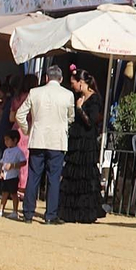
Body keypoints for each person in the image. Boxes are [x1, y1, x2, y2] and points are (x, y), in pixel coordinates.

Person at [17, 65, 74, 224]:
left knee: (34, 176)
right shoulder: (68, 94)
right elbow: (71, 117)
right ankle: (50, 215)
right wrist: (64, 126)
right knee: (54, 179)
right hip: (57, 141)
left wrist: (27, 130)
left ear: (46, 78)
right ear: (61, 79)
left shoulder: (35, 92)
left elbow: (20, 114)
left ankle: (28, 213)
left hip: (38, 139)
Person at [58, 71, 104, 223]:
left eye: (74, 83)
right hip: (77, 140)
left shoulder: (95, 99)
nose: (73, 86)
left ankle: (85, 212)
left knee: (85, 176)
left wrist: (79, 108)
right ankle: (71, 212)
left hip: (86, 142)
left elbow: (91, 121)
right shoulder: (79, 97)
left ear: (81, 82)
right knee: (74, 175)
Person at [0, 129, 25, 219]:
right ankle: (1, 209)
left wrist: (13, 165)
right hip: (5, 176)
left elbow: (23, 162)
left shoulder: (18, 151)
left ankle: (15, 211)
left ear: (15, 140)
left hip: (13, 176)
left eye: (8, 140)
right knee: (4, 193)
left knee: (14, 194)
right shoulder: (6, 151)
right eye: (5, 140)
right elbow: (2, 162)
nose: (5, 142)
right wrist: (1, 172)